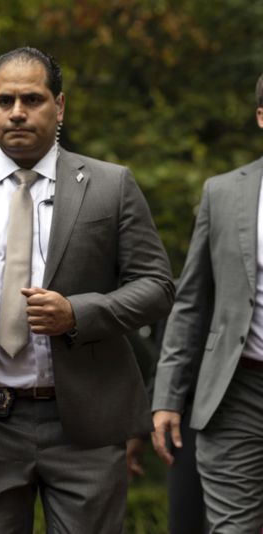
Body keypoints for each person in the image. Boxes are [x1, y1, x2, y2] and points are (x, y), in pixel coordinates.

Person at [0, 46, 174, 533]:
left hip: (87, 425)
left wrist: (78, 313)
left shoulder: (110, 185)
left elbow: (158, 287)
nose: (16, 112)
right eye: (4, 100)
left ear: (60, 106)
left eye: (32, 99)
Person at [151, 72, 263, 532]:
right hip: (236, 390)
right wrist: (167, 397)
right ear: (261, 117)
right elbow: (191, 302)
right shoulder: (223, 193)